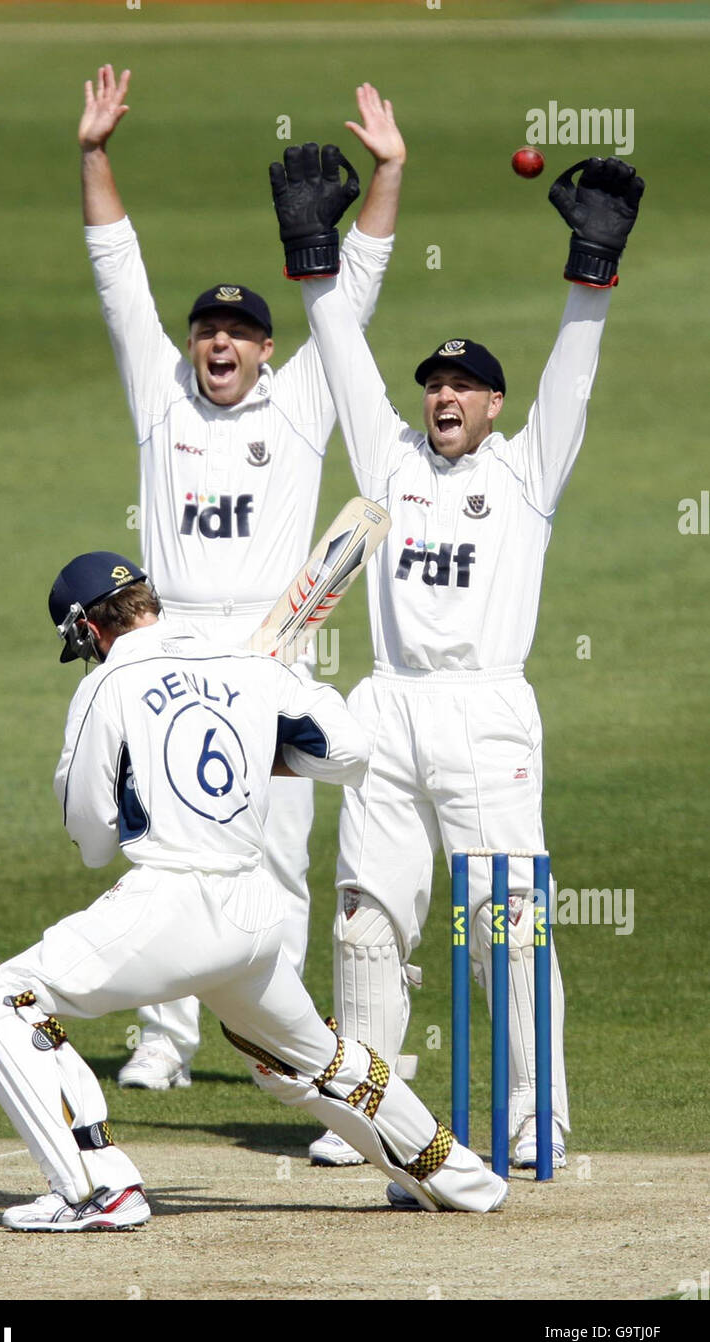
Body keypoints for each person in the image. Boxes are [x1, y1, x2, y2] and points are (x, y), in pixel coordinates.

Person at [0, 551, 507, 1229]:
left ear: (87, 629)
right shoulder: (251, 665)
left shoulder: (105, 686)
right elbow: (352, 751)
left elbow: (90, 838)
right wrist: (264, 747)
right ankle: (456, 1176)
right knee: (310, 1062)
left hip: (175, 905)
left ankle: (98, 1188)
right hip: (254, 912)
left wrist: (137, 782)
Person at [270, 153, 644, 1174]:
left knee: (505, 926)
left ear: (491, 407)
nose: (445, 395)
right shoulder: (389, 459)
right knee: (363, 920)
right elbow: (344, 357)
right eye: (435, 382)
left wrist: (590, 265)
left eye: (465, 386)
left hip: (485, 715)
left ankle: (536, 1114)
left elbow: (574, 372)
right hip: (386, 708)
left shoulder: (524, 471)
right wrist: (311, 263)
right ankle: (366, 1112)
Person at [78, 67, 407, 1101]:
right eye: (204, 330)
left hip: (270, 648)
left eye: (238, 332)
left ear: (267, 350)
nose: (217, 341)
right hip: (171, 644)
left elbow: (350, 295)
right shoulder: (160, 393)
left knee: (273, 857)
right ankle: (164, 1038)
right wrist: (93, 153)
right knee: (165, 851)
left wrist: (390, 172)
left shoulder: (303, 398)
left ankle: (279, 1042)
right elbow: (116, 274)